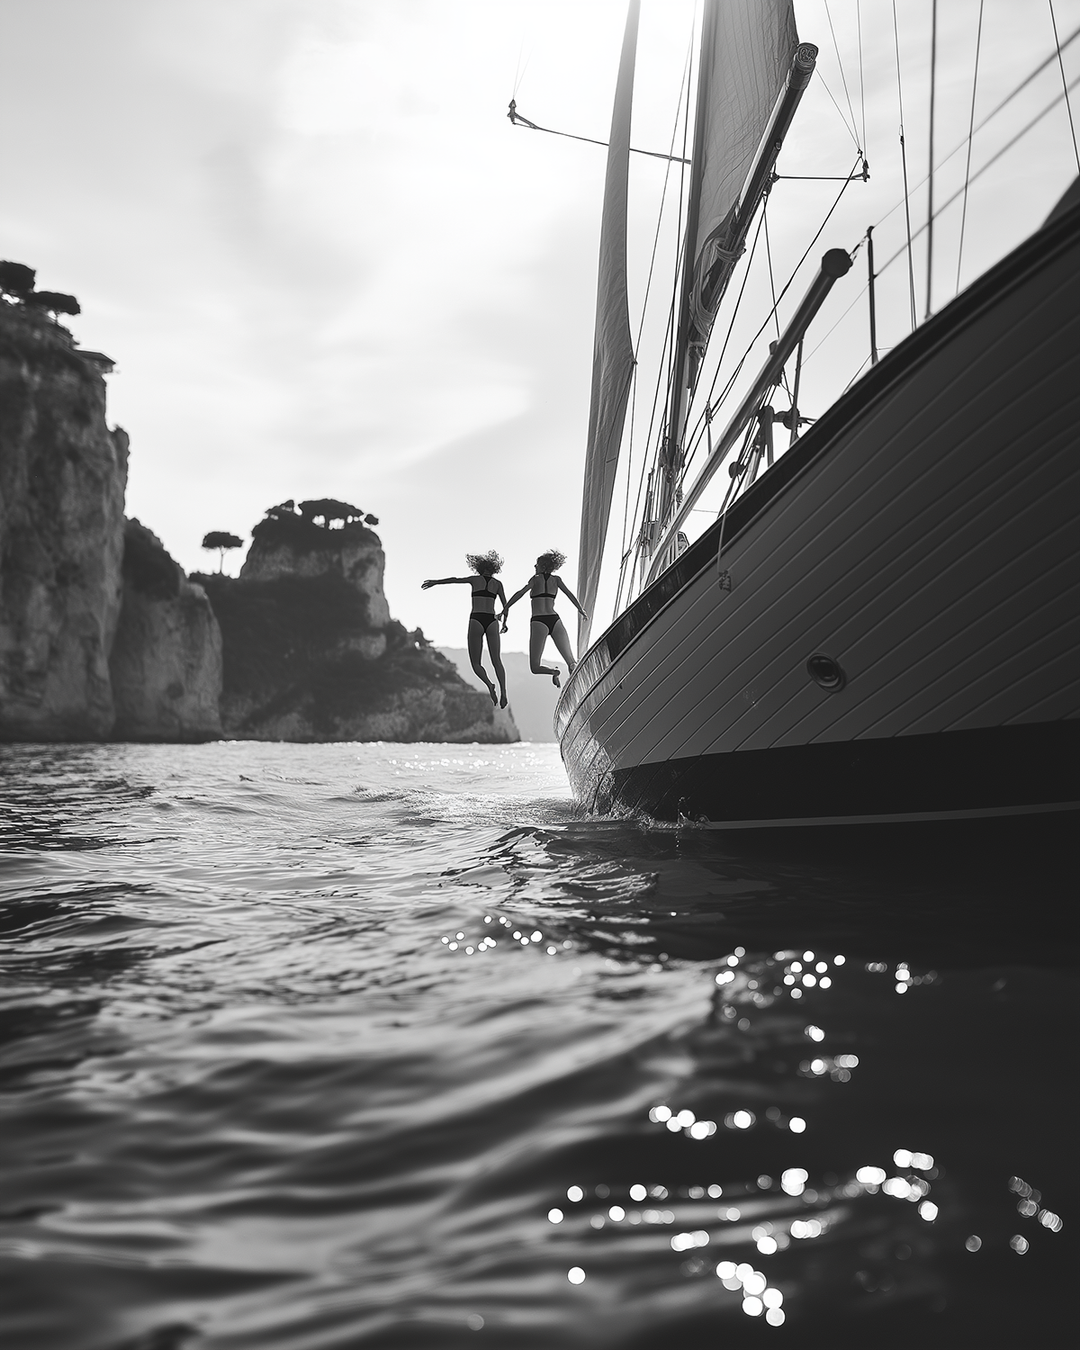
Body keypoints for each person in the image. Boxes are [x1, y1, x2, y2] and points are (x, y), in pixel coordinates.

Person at [421, 551, 508, 707]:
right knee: (497, 661)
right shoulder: (498, 584)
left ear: (479, 567)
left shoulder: (475, 580)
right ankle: (504, 693)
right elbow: (506, 606)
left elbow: (455, 580)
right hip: (492, 620)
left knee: (476, 663)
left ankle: (489, 684)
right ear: (494, 568)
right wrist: (504, 622)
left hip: (477, 619)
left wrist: (436, 582)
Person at [504, 549, 587, 689]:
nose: (534, 567)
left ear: (542, 566)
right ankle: (582, 689)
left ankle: (554, 672)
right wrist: (580, 609)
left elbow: (520, 593)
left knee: (535, 667)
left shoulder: (535, 580)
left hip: (539, 621)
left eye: (536, 564)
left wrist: (506, 607)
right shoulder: (557, 580)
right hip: (555, 620)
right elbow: (570, 595)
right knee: (572, 662)